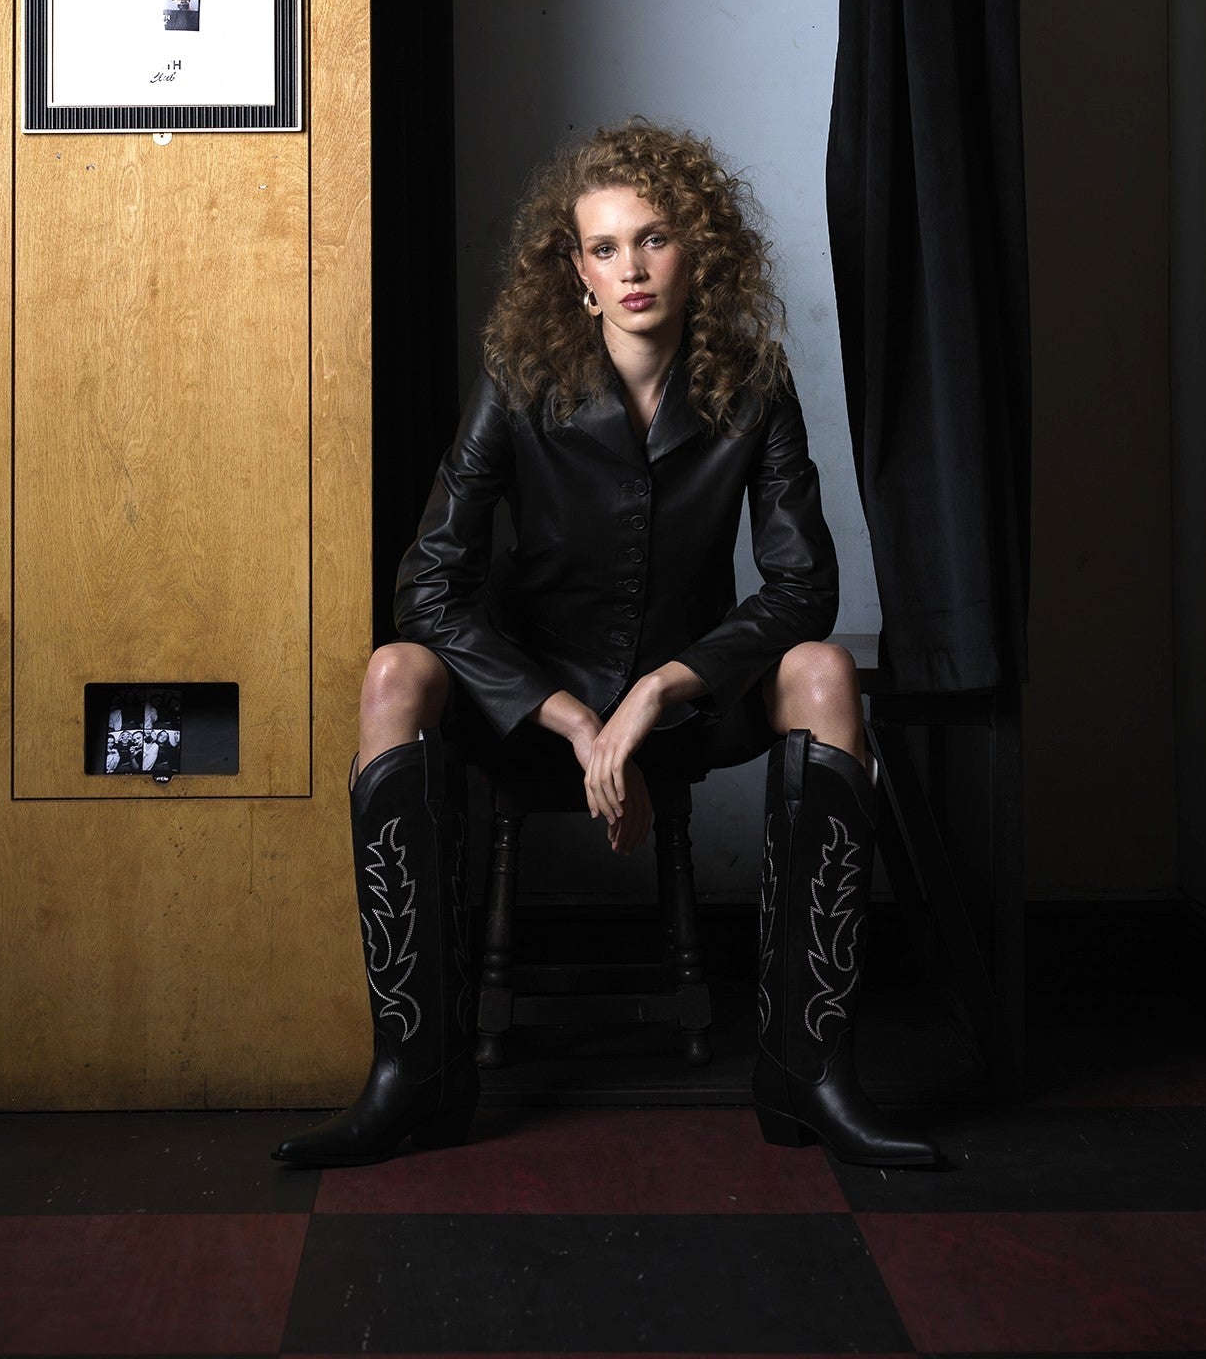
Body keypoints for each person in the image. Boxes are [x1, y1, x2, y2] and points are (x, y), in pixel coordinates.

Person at [272, 119, 939, 1170]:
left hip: (687, 696)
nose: (630, 268)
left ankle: (807, 1069)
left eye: (654, 239)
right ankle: (415, 1074)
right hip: (535, 706)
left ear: (697, 255)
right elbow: (427, 583)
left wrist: (655, 694)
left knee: (822, 671)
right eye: (603, 247)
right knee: (394, 671)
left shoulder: (751, 381)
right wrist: (574, 714)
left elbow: (804, 583)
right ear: (575, 273)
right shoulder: (517, 376)